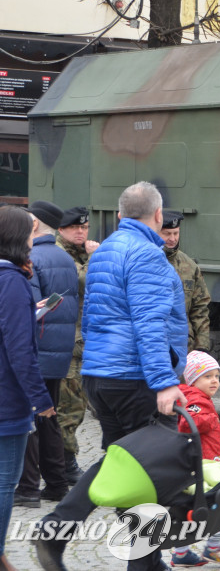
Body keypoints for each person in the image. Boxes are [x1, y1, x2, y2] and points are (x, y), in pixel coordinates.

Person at [35, 181, 188, 571]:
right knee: (147, 469)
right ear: (157, 216)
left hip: (100, 374)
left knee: (125, 467)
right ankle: (57, 528)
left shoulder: (103, 254)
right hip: (135, 377)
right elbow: (149, 324)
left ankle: (146, 563)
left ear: (119, 216)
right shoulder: (148, 257)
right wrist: (165, 382)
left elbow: (96, 317)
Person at [0, 207, 56, 571]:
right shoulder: (12, 280)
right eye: (31, 235)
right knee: (6, 483)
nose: (34, 242)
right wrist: (41, 401)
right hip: (7, 402)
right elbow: (19, 350)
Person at [13, 202, 78, 509]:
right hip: (59, 352)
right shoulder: (65, 258)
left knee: (28, 418)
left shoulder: (31, 259)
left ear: (35, 225)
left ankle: (26, 487)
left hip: (37, 351)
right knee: (49, 416)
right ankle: (56, 482)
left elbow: (31, 308)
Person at [169, 351, 220, 567]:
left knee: (192, 508)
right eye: (207, 376)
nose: (214, 381)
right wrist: (209, 419)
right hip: (205, 465)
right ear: (193, 379)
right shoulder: (196, 400)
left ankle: (181, 553)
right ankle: (213, 547)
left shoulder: (193, 396)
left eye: (216, 376)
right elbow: (187, 422)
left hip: (203, 463)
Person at [54, 206, 96, 485]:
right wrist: (97, 257)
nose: (80, 232)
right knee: (68, 407)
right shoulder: (61, 255)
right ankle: (65, 465)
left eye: (84, 227)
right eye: (74, 228)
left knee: (78, 404)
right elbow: (83, 280)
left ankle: (62, 463)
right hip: (67, 344)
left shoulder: (79, 253)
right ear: (61, 230)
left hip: (83, 342)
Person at [159, 210, 212, 353]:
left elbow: (200, 308)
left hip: (183, 345)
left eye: (176, 233)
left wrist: (202, 347)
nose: (172, 238)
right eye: (167, 234)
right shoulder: (147, 261)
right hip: (156, 341)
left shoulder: (190, 266)